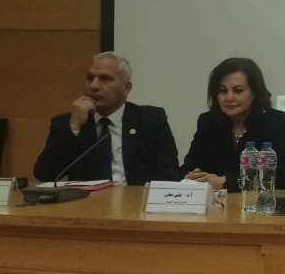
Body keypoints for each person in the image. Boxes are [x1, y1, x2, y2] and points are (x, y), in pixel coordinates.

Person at [34, 52, 180, 186]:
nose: (94, 86)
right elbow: (44, 174)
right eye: (90, 78)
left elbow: (170, 174)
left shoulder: (150, 120)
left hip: (135, 201)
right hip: (86, 203)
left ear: (126, 88)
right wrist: (74, 127)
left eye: (105, 79)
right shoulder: (68, 123)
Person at [182, 58, 285, 192]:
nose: (229, 98)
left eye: (238, 90)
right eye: (222, 91)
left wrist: (226, 182)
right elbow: (190, 166)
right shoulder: (208, 122)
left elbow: (283, 179)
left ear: (255, 92)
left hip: (259, 203)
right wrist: (190, 177)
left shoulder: (280, 123)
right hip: (215, 203)